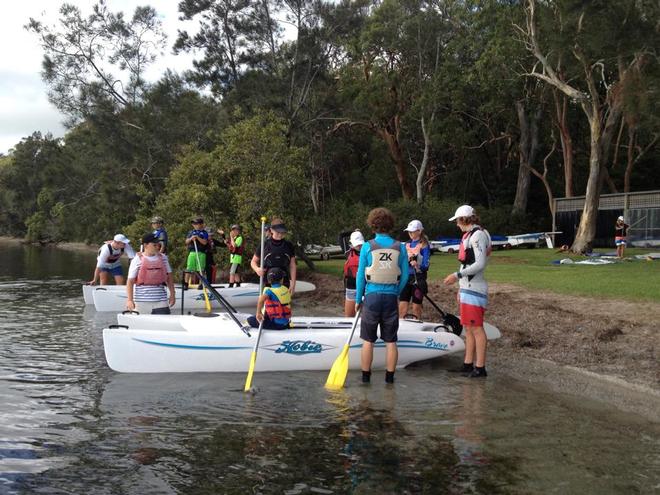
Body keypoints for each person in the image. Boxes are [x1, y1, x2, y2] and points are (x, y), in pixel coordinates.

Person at [355, 208, 409, 384]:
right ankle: (389, 379)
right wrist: (396, 292)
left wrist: (358, 300)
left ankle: (365, 378)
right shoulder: (400, 247)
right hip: (390, 297)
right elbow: (406, 276)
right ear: (390, 225)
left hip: (371, 297)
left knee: (368, 340)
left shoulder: (366, 246)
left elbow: (360, 276)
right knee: (391, 340)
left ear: (373, 226)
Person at [442, 205, 492, 378]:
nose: (456, 224)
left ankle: (480, 368)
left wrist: (457, 276)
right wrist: (460, 286)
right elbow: (467, 262)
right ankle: (468, 364)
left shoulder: (477, 235)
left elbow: (479, 263)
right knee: (468, 328)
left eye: (457, 220)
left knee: (476, 329)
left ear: (464, 219)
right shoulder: (473, 234)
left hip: (474, 289)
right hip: (467, 288)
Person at [126, 233, 176, 314]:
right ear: (145, 245)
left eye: (158, 245)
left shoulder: (163, 258)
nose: (157, 247)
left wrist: (172, 295)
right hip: (141, 301)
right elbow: (130, 281)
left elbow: (169, 277)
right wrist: (129, 300)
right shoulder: (137, 259)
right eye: (154, 245)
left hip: (161, 301)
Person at [250, 217, 297, 294]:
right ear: (271, 230)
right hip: (268, 282)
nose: (280, 235)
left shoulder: (289, 245)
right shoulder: (264, 244)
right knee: (269, 305)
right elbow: (253, 262)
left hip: (284, 281)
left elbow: (292, 265)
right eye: (278, 232)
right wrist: (257, 269)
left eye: (282, 232)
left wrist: (293, 283)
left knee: (284, 304)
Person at [398, 220, 432, 320]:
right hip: (406, 278)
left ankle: (416, 325)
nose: (410, 233)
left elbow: (426, 265)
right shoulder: (406, 244)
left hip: (418, 278)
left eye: (412, 231)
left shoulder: (424, 245)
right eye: (409, 231)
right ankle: (401, 328)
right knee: (402, 306)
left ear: (419, 231)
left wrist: (417, 265)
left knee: (416, 307)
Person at [343, 230, 364, 317]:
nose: (359, 246)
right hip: (352, 286)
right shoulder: (347, 252)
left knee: (366, 318)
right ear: (352, 243)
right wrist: (353, 231)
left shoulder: (368, 251)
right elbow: (341, 235)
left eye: (360, 244)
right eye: (357, 244)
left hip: (365, 287)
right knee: (349, 317)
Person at [184, 217, 209, 289]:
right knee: (189, 268)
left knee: (201, 269)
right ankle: (186, 284)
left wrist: (197, 237)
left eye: (196, 223)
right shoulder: (191, 232)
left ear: (201, 224)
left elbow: (204, 242)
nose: (194, 225)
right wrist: (191, 238)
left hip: (201, 253)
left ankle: (202, 283)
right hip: (192, 252)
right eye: (193, 223)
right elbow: (186, 241)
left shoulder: (204, 233)